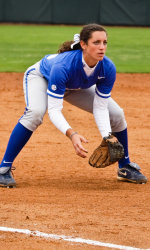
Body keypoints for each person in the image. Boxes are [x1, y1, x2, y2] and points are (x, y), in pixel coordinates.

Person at [0, 23, 147, 187]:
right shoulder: (63, 66)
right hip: (42, 77)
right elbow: (54, 110)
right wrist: (72, 134)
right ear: (83, 44)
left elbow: (100, 106)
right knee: (35, 113)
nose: (102, 47)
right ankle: (3, 168)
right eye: (96, 42)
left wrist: (107, 136)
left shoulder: (107, 67)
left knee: (117, 114)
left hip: (73, 86)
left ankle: (125, 167)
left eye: (104, 42)